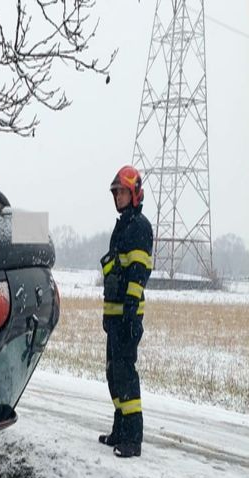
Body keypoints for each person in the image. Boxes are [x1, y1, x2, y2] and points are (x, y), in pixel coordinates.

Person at [99, 165, 153, 458]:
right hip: (116, 315)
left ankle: (133, 439)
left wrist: (131, 313)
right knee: (113, 373)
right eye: (115, 192)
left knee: (125, 373)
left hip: (128, 316)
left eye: (121, 192)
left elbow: (137, 273)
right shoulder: (122, 226)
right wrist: (109, 314)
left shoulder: (140, 228)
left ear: (133, 193)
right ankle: (120, 430)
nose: (117, 196)